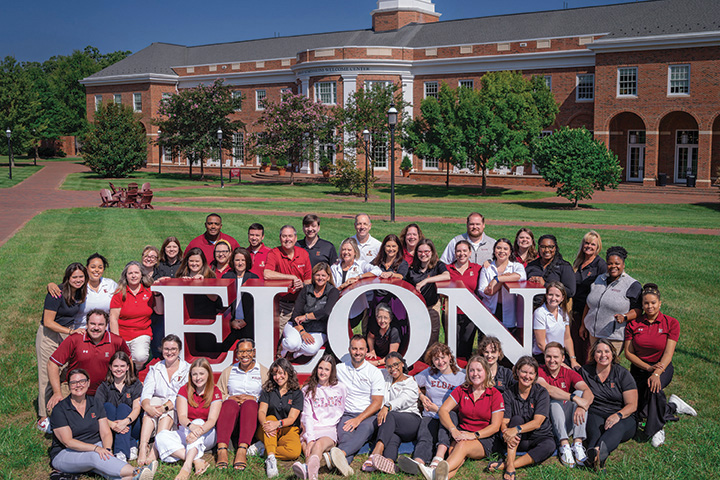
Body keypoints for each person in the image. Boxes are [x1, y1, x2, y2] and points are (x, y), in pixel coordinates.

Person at [48, 369, 157, 480]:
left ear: (88, 383)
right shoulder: (60, 409)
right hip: (66, 453)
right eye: (74, 383)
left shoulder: (95, 403)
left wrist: (107, 450)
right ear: (69, 385)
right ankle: (136, 471)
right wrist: (96, 449)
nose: (78, 385)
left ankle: (133, 478)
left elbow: (105, 433)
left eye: (82, 381)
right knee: (94, 457)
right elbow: (68, 442)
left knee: (103, 463)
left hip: (96, 446)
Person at [623, 283, 697, 448]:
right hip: (640, 368)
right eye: (646, 303)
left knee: (654, 390)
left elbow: (668, 354)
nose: (650, 306)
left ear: (660, 303)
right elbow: (629, 353)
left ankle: (657, 428)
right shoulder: (633, 324)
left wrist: (656, 373)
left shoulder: (671, 323)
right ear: (642, 305)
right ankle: (673, 405)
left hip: (662, 367)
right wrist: (648, 369)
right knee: (641, 410)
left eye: (653, 303)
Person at [400, 343, 465, 478]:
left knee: (443, 432)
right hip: (430, 413)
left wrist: (440, 409)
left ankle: (438, 459)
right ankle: (418, 462)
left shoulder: (460, 376)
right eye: (436, 359)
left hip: (449, 414)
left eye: (443, 357)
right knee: (424, 435)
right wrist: (421, 396)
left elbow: (462, 403)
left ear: (450, 357)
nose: (440, 362)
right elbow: (411, 382)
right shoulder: (429, 373)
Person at [435, 356, 504, 480]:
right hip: (462, 433)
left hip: (485, 438)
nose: (475, 374)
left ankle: (433, 472)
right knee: (453, 454)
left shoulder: (495, 394)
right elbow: (443, 410)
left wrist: (474, 435)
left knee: (462, 446)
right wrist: (453, 430)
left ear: (486, 372)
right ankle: (441, 477)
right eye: (471, 370)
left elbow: (495, 426)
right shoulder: (462, 389)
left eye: (479, 370)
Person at [36, 262, 88, 430]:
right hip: (49, 335)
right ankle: (43, 417)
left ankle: (61, 408)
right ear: (68, 278)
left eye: (81, 277)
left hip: (66, 334)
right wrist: (70, 331)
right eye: (75, 277)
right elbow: (48, 322)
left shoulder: (80, 293)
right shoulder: (56, 293)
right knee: (46, 373)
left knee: (64, 371)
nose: (78, 280)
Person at [47, 309, 130, 412]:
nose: (96, 328)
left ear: (106, 326)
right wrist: (57, 392)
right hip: (74, 388)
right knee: (55, 411)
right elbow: (52, 363)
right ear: (86, 324)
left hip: (104, 390)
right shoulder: (75, 339)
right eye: (92, 324)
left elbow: (128, 361)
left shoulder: (116, 341)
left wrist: (127, 382)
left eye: (100, 324)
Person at [154, 358, 222, 479]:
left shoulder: (215, 391)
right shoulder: (184, 390)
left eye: (201, 373)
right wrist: (191, 427)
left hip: (207, 433)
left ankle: (186, 466)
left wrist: (197, 431)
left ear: (208, 374)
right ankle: (196, 460)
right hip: (187, 430)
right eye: (194, 374)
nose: (198, 377)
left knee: (198, 421)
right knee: (161, 436)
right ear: (190, 375)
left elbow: (212, 421)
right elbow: (182, 417)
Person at [328, 335, 385, 477]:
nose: (357, 352)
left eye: (361, 349)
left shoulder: (374, 372)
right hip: (346, 413)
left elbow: (377, 402)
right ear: (349, 350)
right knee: (345, 436)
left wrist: (358, 419)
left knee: (364, 429)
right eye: (354, 349)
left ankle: (337, 455)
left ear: (366, 350)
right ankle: (344, 465)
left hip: (368, 415)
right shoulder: (339, 369)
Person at [490, 356, 555, 480]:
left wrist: (516, 429)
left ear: (535, 375)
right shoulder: (508, 393)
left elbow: (537, 422)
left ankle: (508, 464)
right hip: (518, 440)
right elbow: (505, 422)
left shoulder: (541, 393)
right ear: (517, 371)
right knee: (517, 419)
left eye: (531, 373)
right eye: (524, 372)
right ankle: (510, 468)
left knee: (550, 446)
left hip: (539, 436)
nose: (527, 376)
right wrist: (505, 432)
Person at [580, 339, 638, 472]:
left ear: (613, 354)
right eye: (599, 351)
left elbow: (632, 404)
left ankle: (595, 455)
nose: (603, 355)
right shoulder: (585, 371)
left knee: (616, 429)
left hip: (623, 415)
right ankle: (597, 455)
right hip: (596, 411)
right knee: (594, 433)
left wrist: (618, 415)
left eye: (606, 351)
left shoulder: (622, 373)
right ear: (593, 355)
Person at [536, 342, 593, 467]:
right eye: (548, 356)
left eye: (555, 357)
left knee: (581, 393)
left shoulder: (568, 372)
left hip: (566, 420)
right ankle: (564, 445)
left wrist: (582, 406)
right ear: (544, 357)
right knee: (554, 400)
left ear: (562, 358)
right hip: (549, 423)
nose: (552, 360)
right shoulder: (539, 371)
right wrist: (574, 398)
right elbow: (548, 389)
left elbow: (588, 391)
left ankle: (577, 444)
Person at [137, 334, 191, 466]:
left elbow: (181, 394)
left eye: (173, 349)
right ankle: (143, 448)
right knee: (153, 402)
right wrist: (148, 406)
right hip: (156, 406)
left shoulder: (187, 369)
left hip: (175, 407)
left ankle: (155, 450)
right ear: (162, 350)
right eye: (166, 349)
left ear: (179, 350)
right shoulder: (156, 368)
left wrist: (164, 407)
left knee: (167, 412)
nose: (169, 352)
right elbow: (147, 392)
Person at [365, 352, 421, 474]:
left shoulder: (410, 382)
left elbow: (403, 400)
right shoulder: (385, 376)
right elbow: (367, 369)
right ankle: (389, 463)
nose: (393, 369)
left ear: (402, 364)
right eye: (389, 366)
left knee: (389, 416)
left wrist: (387, 406)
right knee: (393, 437)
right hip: (392, 423)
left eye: (396, 365)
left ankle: (377, 451)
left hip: (411, 421)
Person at [580, 246, 642, 355]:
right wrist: (583, 325)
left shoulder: (632, 285)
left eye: (617, 264)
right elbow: (589, 303)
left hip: (614, 337)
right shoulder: (599, 279)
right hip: (594, 334)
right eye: (609, 263)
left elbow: (638, 310)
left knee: (610, 366)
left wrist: (625, 317)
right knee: (594, 364)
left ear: (623, 265)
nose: (613, 266)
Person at [216, 339, 268, 470]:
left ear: (254, 352)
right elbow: (219, 393)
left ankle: (242, 450)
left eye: (248, 351)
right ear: (236, 354)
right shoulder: (229, 371)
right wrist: (230, 397)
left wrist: (255, 398)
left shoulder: (263, 372)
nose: (245, 355)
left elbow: (269, 396)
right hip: (230, 418)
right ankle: (222, 449)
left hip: (251, 417)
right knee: (229, 404)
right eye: (241, 352)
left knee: (250, 404)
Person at [293, 355, 346, 480]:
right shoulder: (308, 390)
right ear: (316, 369)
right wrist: (310, 438)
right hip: (311, 428)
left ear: (332, 372)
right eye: (320, 368)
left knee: (318, 445)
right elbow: (307, 416)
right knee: (307, 446)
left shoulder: (340, 388)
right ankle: (311, 474)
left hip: (329, 429)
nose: (322, 372)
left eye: (327, 369)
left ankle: (307, 470)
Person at [110, 261, 164, 371]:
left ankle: (137, 369)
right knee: (121, 358)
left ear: (141, 275)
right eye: (130, 273)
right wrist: (117, 340)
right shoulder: (120, 293)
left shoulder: (149, 291)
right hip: (123, 333)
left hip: (142, 332)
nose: (133, 276)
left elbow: (159, 311)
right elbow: (113, 318)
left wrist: (157, 294)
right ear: (126, 275)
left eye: (136, 272)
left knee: (140, 356)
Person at [281, 262, 339, 358]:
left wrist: (306, 316)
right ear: (313, 276)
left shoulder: (333, 292)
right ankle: (284, 348)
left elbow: (326, 312)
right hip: (298, 326)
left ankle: (293, 354)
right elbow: (296, 314)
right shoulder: (306, 289)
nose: (320, 278)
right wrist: (302, 332)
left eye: (323, 275)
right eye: (317, 275)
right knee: (292, 344)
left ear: (328, 277)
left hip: (319, 329)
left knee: (310, 348)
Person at [258, 358, 304, 478]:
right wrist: (266, 425)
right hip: (268, 427)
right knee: (270, 417)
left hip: (287, 428)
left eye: (280, 373)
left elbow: (292, 418)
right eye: (274, 374)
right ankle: (271, 460)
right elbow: (262, 411)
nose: (277, 377)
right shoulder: (268, 390)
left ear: (288, 372)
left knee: (294, 452)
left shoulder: (296, 393)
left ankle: (263, 449)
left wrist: (277, 424)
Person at [94, 351, 143, 462]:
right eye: (115, 366)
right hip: (109, 427)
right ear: (110, 367)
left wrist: (124, 422)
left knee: (123, 408)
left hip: (132, 425)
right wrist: (112, 424)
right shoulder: (104, 386)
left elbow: (136, 408)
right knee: (108, 407)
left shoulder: (136, 384)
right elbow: (97, 411)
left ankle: (122, 450)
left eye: (122, 366)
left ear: (127, 367)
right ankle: (128, 446)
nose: (119, 369)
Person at [264, 225, 313, 335]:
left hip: (301, 303)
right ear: (280, 238)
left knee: (303, 334)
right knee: (278, 333)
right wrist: (291, 277)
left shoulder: (303, 254)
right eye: (284, 236)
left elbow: (308, 280)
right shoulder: (274, 253)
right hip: (283, 304)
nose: (287, 239)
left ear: (295, 238)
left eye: (290, 236)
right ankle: (277, 352)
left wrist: (302, 285)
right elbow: (267, 274)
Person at [48, 253, 117, 329]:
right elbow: (65, 287)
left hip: (103, 330)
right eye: (93, 267)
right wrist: (51, 285)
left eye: (100, 267)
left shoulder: (110, 284)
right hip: (80, 330)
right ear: (86, 268)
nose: (97, 270)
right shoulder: (80, 285)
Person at [404, 239, 450, 347]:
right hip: (416, 307)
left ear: (432, 252)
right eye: (420, 252)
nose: (423, 254)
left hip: (432, 306)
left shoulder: (438, 265)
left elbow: (447, 275)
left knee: (433, 336)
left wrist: (426, 280)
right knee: (416, 335)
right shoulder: (412, 268)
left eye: (426, 251)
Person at [331, 237, 381, 331]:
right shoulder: (334, 267)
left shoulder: (360, 265)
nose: (346, 252)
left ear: (355, 252)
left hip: (356, 309)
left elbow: (377, 271)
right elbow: (331, 289)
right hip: (338, 307)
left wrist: (360, 277)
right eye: (344, 249)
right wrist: (343, 286)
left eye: (349, 250)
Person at [571, 230, 606, 365]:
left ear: (598, 247)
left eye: (593, 244)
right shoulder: (579, 262)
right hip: (575, 310)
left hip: (589, 313)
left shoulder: (600, 265)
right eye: (586, 243)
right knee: (576, 347)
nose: (589, 246)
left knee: (586, 351)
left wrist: (584, 323)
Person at [477, 238, 526, 331]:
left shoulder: (516, 266)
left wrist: (497, 279)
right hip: (490, 309)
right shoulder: (487, 268)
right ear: (494, 250)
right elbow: (484, 291)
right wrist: (503, 281)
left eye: (505, 249)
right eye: (499, 248)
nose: (502, 251)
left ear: (510, 251)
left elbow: (520, 276)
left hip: (510, 310)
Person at [446, 240, 482, 359]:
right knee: (451, 346)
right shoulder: (447, 269)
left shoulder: (477, 269)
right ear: (455, 253)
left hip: (470, 313)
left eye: (465, 251)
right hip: (451, 312)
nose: (462, 254)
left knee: (466, 345)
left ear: (470, 252)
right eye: (458, 251)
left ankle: (465, 371)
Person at [532, 282, 580, 368]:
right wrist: (557, 361)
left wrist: (573, 359)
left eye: (557, 296)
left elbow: (567, 338)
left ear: (562, 298)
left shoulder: (564, 312)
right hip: (544, 356)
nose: (553, 298)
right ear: (546, 295)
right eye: (550, 294)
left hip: (560, 356)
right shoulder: (540, 313)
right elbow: (541, 344)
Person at [222, 247, 259, 342]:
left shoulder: (254, 278)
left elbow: (257, 305)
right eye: (237, 260)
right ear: (233, 262)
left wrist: (246, 320)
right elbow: (221, 303)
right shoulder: (226, 277)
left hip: (249, 324)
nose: (240, 263)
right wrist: (230, 321)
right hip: (230, 324)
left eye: (243, 260)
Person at [525, 234, 576, 299]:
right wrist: (529, 283)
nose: (547, 250)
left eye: (550, 247)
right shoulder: (532, 265)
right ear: (539, 248)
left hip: (553, 305)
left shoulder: (563, 266)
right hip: (531, 304)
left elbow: (571, 292)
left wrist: (546, 285)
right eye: (543, 247)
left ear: (555, 248)